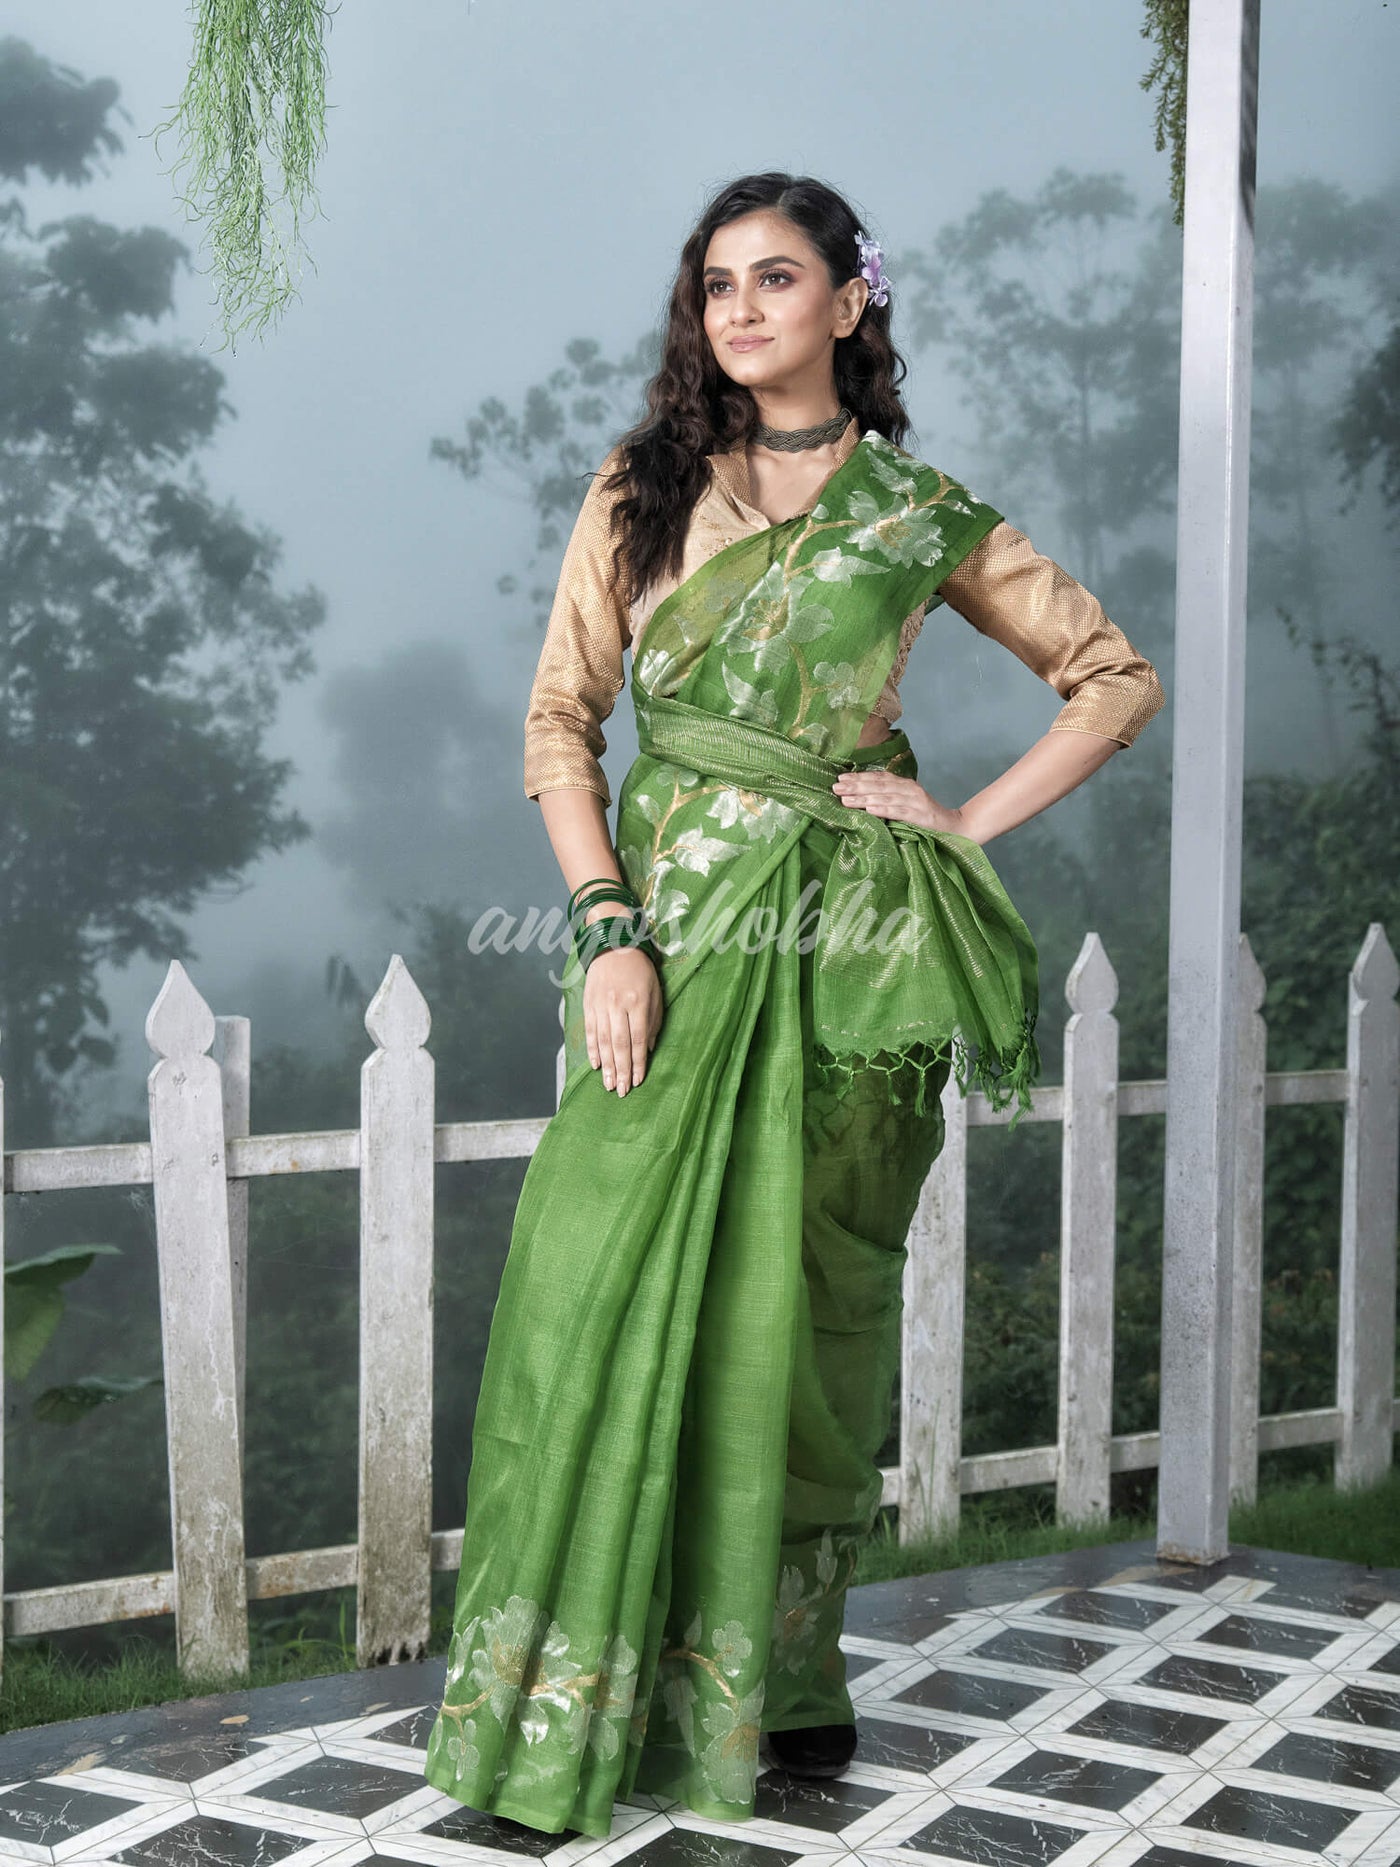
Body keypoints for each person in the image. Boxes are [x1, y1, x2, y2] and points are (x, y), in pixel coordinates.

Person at [422, 171, 1164, 1841]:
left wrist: (959, 823)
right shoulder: (644, 488)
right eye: (717, 284)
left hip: (847, 952)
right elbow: (561, 720)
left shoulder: (914, 514)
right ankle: (556, 1723)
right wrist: (609, 926)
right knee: (595, 1294)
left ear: (849, 299)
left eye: (775, 277)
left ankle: (781, 1683)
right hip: (673, 941)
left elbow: (1114, 677)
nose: (740, 309)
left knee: (803, 1317)